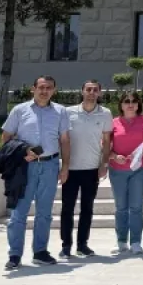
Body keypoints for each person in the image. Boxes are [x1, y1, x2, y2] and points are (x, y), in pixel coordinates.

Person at [1, 75, 70, 270]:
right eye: (41, 87)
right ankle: (14, 255)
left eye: (49, 88)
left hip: (50, 165)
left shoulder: (60, 111)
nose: (44, 91)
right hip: (25, 167)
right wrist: (21, 152)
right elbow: (6, 137)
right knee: (18, 213)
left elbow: (65, 140)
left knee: (44, 213)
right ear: (33, 89)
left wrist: (65, 167)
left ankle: (40, 251)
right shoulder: (20, 110)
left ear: (53, 91)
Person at [60, 79, 112, 258]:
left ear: (99, 93)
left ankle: (83, 245)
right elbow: (63, 139)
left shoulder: (105, 114)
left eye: (95, 90)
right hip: (71, 168)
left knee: (87, 208)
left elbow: (106, 142)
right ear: (82, 91)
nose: (91, 92)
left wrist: (104, 164)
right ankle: (66, 245)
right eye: (88, 89)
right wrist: (64, 166)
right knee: (67, 208)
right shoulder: (68, 112)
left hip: (92, 169)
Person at [107, 89, 143, 254]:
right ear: (121, 105)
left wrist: (140, 154)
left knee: (136, 206)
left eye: (133, 101)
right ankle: (121, 241)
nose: (130, 104)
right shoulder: (112, 123)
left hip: (139, 168)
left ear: (138, 104)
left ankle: (136, 241)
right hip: (117, 169)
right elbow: (105, 146)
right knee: (121, 207)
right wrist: (114, 156)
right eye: (126, 101)